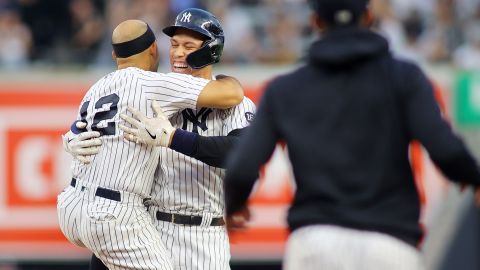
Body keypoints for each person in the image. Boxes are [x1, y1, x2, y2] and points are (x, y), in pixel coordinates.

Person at [223, 1, 480, 270]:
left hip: (315, 243)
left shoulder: (284, 89)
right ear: (369, 18)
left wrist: (234, 206)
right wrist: (472, 178)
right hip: (389, 243)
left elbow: (242, 167)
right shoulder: (405, 77)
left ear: (316, 23)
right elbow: (444, 147)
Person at [65, 9, 255, 270]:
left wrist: (175, 138)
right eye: (174, 44)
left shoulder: (236, 104)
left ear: (211, 50)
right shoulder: (151, 89)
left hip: (203, 237)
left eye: (188, 46)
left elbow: (241, 152)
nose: (177, 53)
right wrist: (73, 136)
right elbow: (102, 124)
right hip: (147, 225)